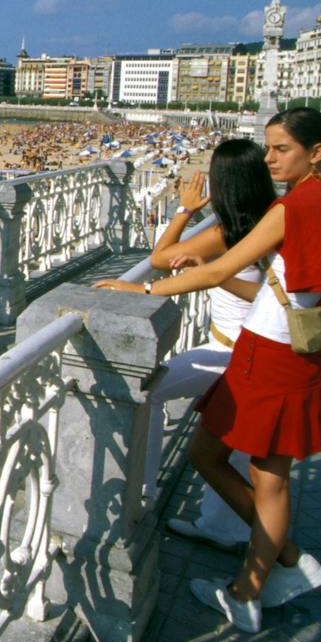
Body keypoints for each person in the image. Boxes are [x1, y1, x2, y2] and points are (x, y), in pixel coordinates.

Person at [97, 108, 321, 633]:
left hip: (269, 355)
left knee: (249, 472)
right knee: (258, 474)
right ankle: (277, 569)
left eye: (281, 149)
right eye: (267, 149)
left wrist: (144, 289)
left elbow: (218, 268)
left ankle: (256, 585)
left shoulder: (297, 207)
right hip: (293, 354)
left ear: (316, 153)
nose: (270, 159)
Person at [138, 143, 273, 550]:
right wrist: (213, 273)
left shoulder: (227, 232)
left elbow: (160, 258)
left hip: (230, 352)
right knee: (235, 448)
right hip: (256, 351)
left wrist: (185, 211)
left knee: (148, 392)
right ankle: (225, 529)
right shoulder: (273, 219)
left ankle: (142, 495)